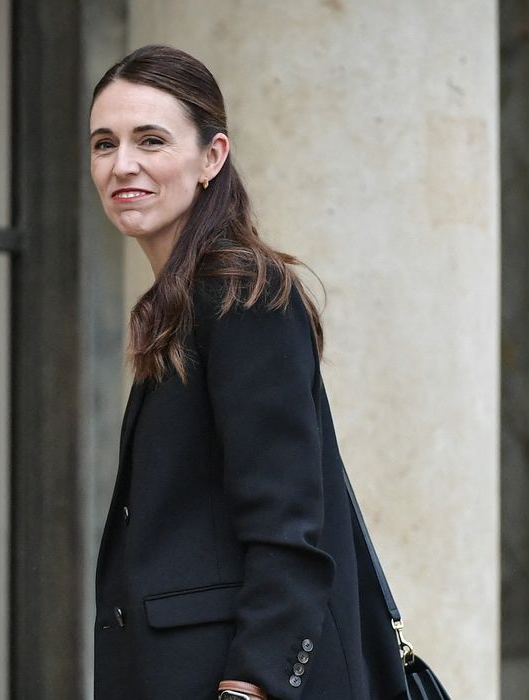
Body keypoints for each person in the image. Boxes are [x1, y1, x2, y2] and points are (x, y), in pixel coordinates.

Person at [90, 45, 408, 700]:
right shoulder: (185, 301)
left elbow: (287, 526)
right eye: (104, 144)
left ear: (212, 157)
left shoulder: (245, 298)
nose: (122, 164)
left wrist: (252, 686)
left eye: (150, 140)